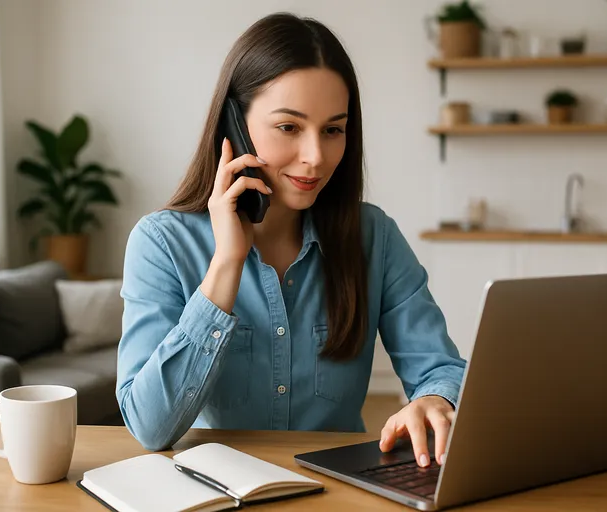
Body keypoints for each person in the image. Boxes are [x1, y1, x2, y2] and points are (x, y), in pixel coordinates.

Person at [116, 12, 466, 468]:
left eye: (333, 130)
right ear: (236, 125)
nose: (316, 158)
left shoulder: (374, 237)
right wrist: (226, 263)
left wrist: (436, 400)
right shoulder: (161, 243)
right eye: (289, 128)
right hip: (215, 493)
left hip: (336, 491)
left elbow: (439, 368)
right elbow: (148, 427)